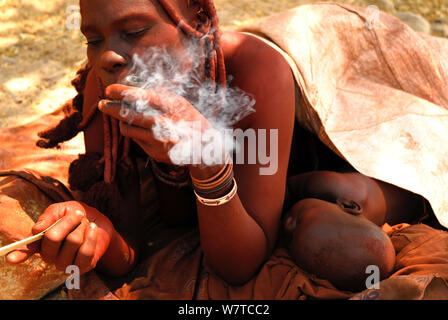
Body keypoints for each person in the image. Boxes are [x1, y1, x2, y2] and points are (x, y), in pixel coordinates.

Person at [5, 0, 426, 292]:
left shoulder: (256, 73)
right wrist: (92, 228)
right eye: (92, 39)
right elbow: (127, 248)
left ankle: (312, 188)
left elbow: (239, 265)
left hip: (331, 59)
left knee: (351, 199)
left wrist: (208, 167)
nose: (109, 57)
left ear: (198, 23)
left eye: (133, 31)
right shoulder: (105, 87)